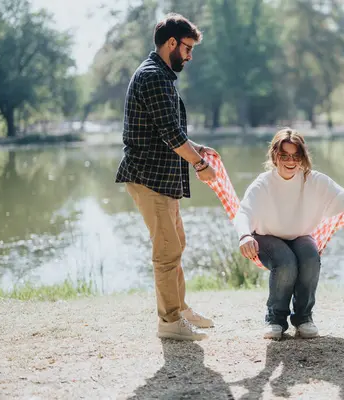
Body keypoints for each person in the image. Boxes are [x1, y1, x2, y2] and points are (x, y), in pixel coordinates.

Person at [115, 13, 218, 341]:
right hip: (150, 178)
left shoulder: (159, 75)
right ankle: (170, 321)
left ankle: (180, 308)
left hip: (162, 178)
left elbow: (168, 132)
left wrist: (198, 148)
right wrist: (201, 165)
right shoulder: (153, 77)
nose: (189, 56)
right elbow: (172, 136)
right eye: (187, 48)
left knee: (176, 244)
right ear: (171, 43)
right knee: (166, 249)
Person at [233, 128, 344, 340]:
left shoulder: (313, 180)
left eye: (296, 156)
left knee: (310, 257)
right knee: (286, 262)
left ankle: (303, 317)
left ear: (303, 157)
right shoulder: (263, 183)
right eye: (284, 155)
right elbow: (244, 213)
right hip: (266, 237)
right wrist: (244, 236)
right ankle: (275, 319)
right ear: (274, 156)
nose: (290, 161)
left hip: (299, 235)